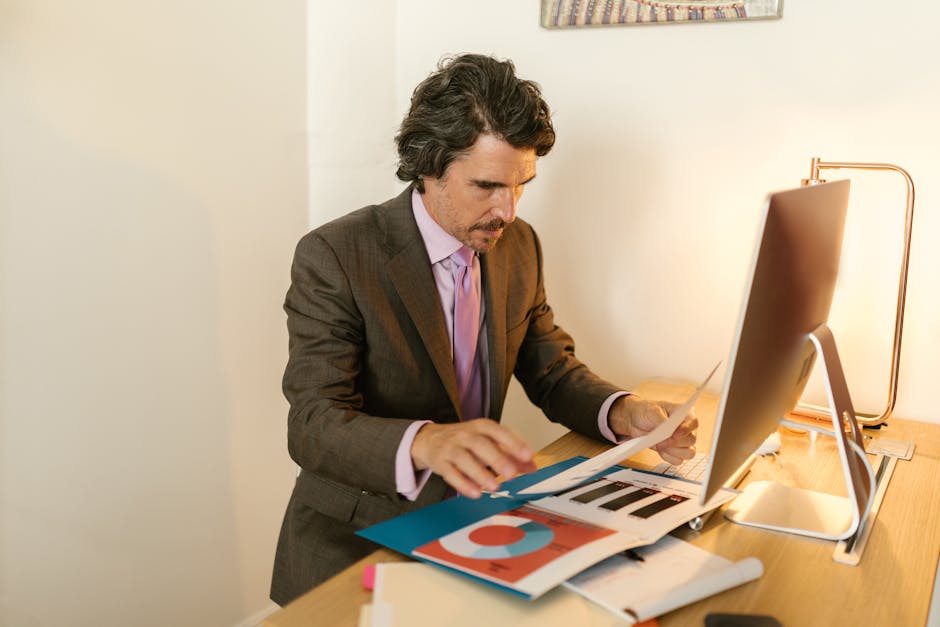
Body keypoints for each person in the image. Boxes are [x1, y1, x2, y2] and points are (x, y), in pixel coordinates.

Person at [270, 53, 697, 606]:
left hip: (473, 529)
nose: (509, 210)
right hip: (352, 545)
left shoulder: (518, 245)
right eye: (488, 185)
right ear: (428, 166)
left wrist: (620, 410)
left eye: (522, 185)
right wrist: (427, 440)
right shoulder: (335, 255)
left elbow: (549, 368)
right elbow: (312, 423)